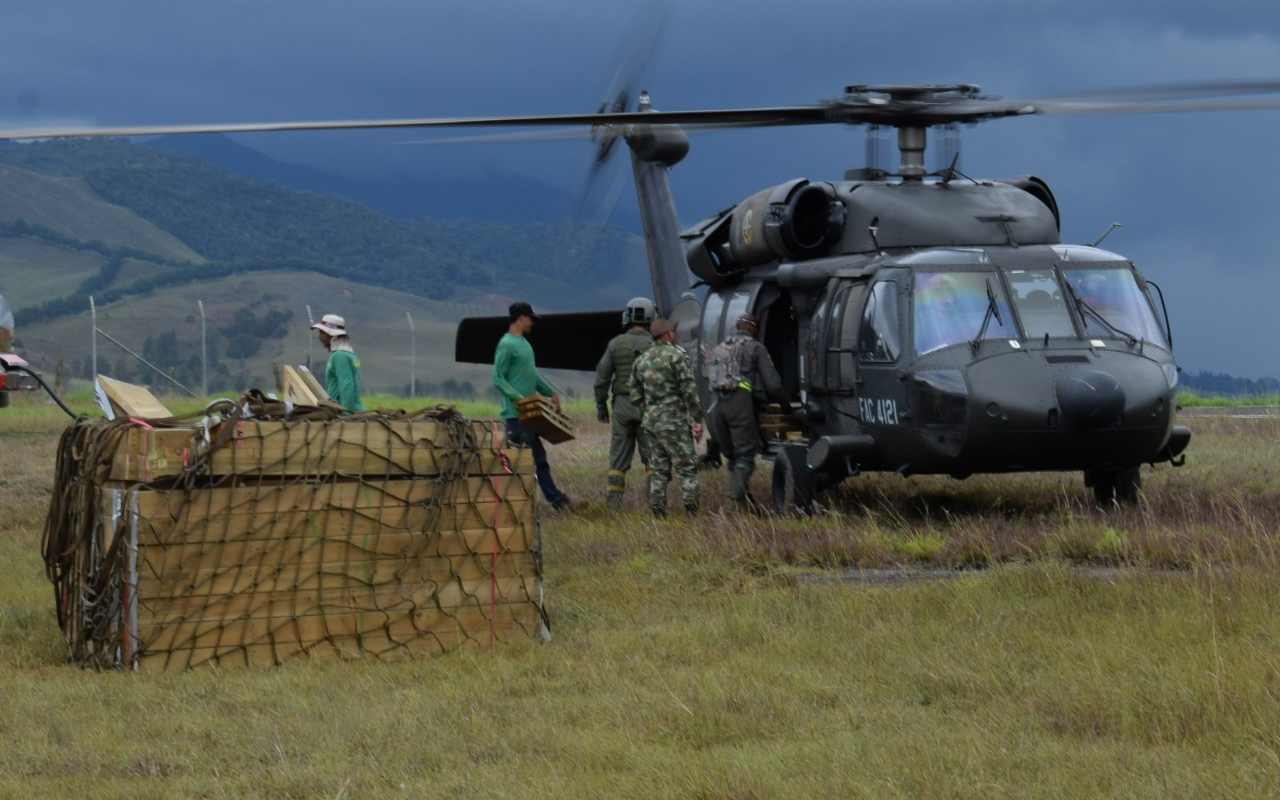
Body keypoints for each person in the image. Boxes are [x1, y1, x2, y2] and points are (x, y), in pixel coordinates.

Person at [493, 301, 572, 511]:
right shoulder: (507, 344)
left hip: (529, 414)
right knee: (533, 460)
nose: (532, 324)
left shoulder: (525, 344)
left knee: (534, 460)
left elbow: (532, 374)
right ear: (521, 318)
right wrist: (518, 397)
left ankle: (552, 500)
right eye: (530, 319)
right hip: (515, 414)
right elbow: (498, 378)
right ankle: (555, 501)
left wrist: (550, 393)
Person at [705, 311, 788, 510]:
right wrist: (785, 406)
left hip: (715, 405)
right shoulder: (755, 347)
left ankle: (743, 507)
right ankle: (731, 501)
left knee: (733, 457)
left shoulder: (720, 348)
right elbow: (773, 384)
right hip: (738, 403)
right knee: (746, 459)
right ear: (752, 328)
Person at [630, 318, 703, 517]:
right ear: (669, 334)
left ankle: (658, 511)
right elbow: (688, 389)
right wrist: (697, 418)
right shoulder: (676, 355)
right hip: (674, 421)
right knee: (686, 466)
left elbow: (634, 393)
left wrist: (648, 411)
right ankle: (691, 511)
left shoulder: (641, 360)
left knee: (658, 469)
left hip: (651, 422)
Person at [594, 297, 656, 512]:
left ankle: (613, 508)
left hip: (622, 405)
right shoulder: (655, 345)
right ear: (650, 317)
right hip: (649, 407)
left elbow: (602, 378)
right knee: (652, 460)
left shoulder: (615, 344)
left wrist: (601, 407)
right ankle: (655, 506)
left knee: (618, 461)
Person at [311, 313, 363, 412]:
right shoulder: (350, 354)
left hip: (345, 413)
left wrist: (346, 414)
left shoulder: (339, 356)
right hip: (354, 410)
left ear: (332, 334)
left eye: (322, 332)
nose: (319, 337)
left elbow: (347, 386)